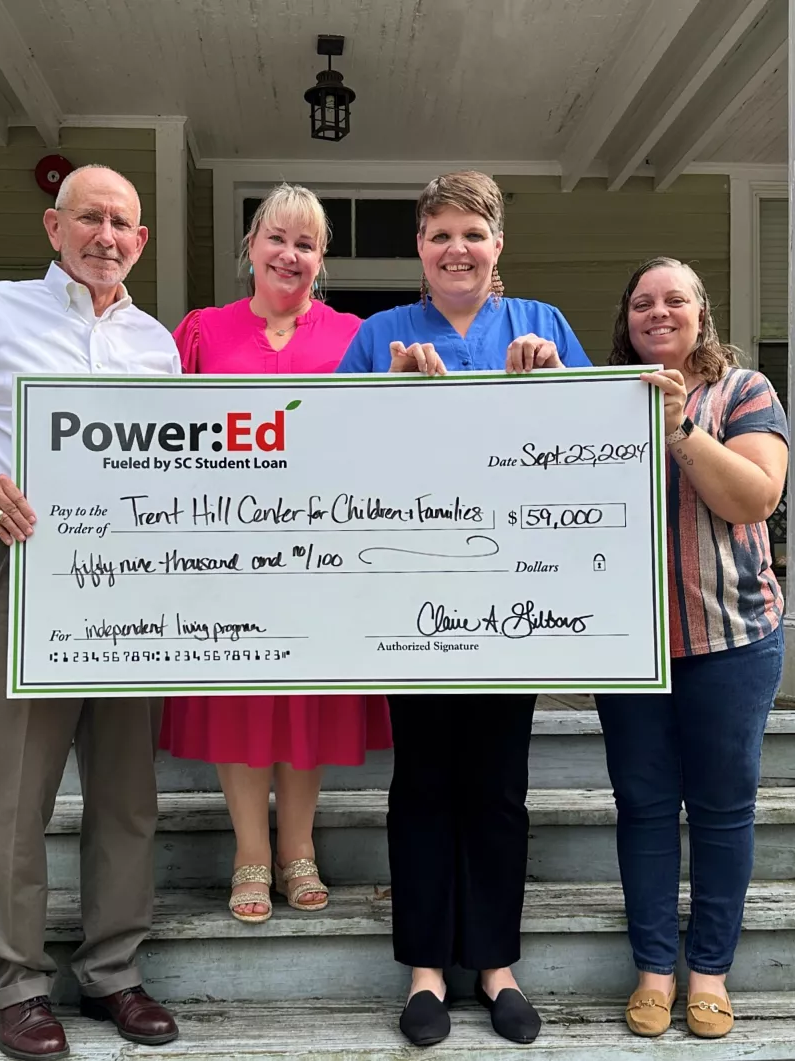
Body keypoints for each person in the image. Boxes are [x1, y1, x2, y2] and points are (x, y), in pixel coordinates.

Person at [0, 165, 181, 1060]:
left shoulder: (156, 346)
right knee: (13, 795)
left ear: (142, 240)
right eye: (89, 217)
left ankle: (114, 971)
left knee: (127, 792)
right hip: (14, 568)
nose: (106, 236)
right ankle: (15, 983)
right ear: (55, 226)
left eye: (123, 223)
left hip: (128, 585)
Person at [337, 170, 591, 1047]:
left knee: (498, 786)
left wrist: (554, 384)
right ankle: (425, 971)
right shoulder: (379, 336)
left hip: (510, 602)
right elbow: (332, 462)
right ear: (420, 247)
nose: (457, 249)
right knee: (423, 784)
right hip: (409, 601)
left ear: (497, 247)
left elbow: (592, 449)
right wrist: (385, 398)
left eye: (472, 235)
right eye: (440, 233)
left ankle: (496, 963)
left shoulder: (544, 327)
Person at [160, 183, 391, 924]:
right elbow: (164, 436)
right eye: (278, 238)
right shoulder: (201, 332)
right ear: (251, 246)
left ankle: (299, 848)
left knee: (306, 702)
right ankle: (249, 853)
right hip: (228, 553)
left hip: (322, 555)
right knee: (242, 699)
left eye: (307, 244)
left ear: (320, 261)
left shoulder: (356, 336)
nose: (290, 254)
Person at [595, 257, 788, 1040]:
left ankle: (707, 970)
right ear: (627, 319)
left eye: (675, 298)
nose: (658, 311)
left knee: (721, 809)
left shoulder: (743, 392)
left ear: (701, 314)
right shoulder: (599, 398)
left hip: (731, 638)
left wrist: (679, 430)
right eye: (643, 301)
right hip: (630, 646)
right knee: (642, 808)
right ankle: (651, 967)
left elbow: (756, 496)